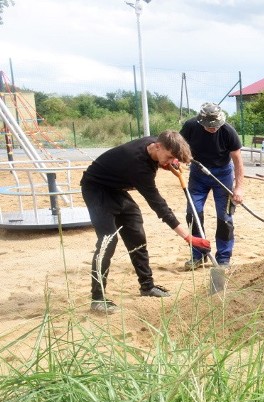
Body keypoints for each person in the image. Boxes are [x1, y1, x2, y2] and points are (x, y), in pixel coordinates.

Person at [80, 130, 211, 314]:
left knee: (136, 234)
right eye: (169, 156)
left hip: (116, 189)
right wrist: (187, 237)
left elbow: (164, 157)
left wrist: (169, 162)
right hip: (96, 189)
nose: (169, 160)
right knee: (108, 241)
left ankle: (147, 287)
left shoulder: (157, 144)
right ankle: (97, 298)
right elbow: (158, 205)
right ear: (157, 146)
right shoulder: (138, 166)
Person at [179, 102, 245, 270]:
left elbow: (238, 161)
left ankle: (223, 258)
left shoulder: (228, 131)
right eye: (210, 126)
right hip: (198, 174)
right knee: (193, 213)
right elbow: (178, 146)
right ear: (201, 122)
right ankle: (198, 255)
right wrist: (177, 158)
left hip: (222, 175)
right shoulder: (191, 126)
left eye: (216, 125)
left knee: (225, 217)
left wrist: (238, 188)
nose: (213, 128)